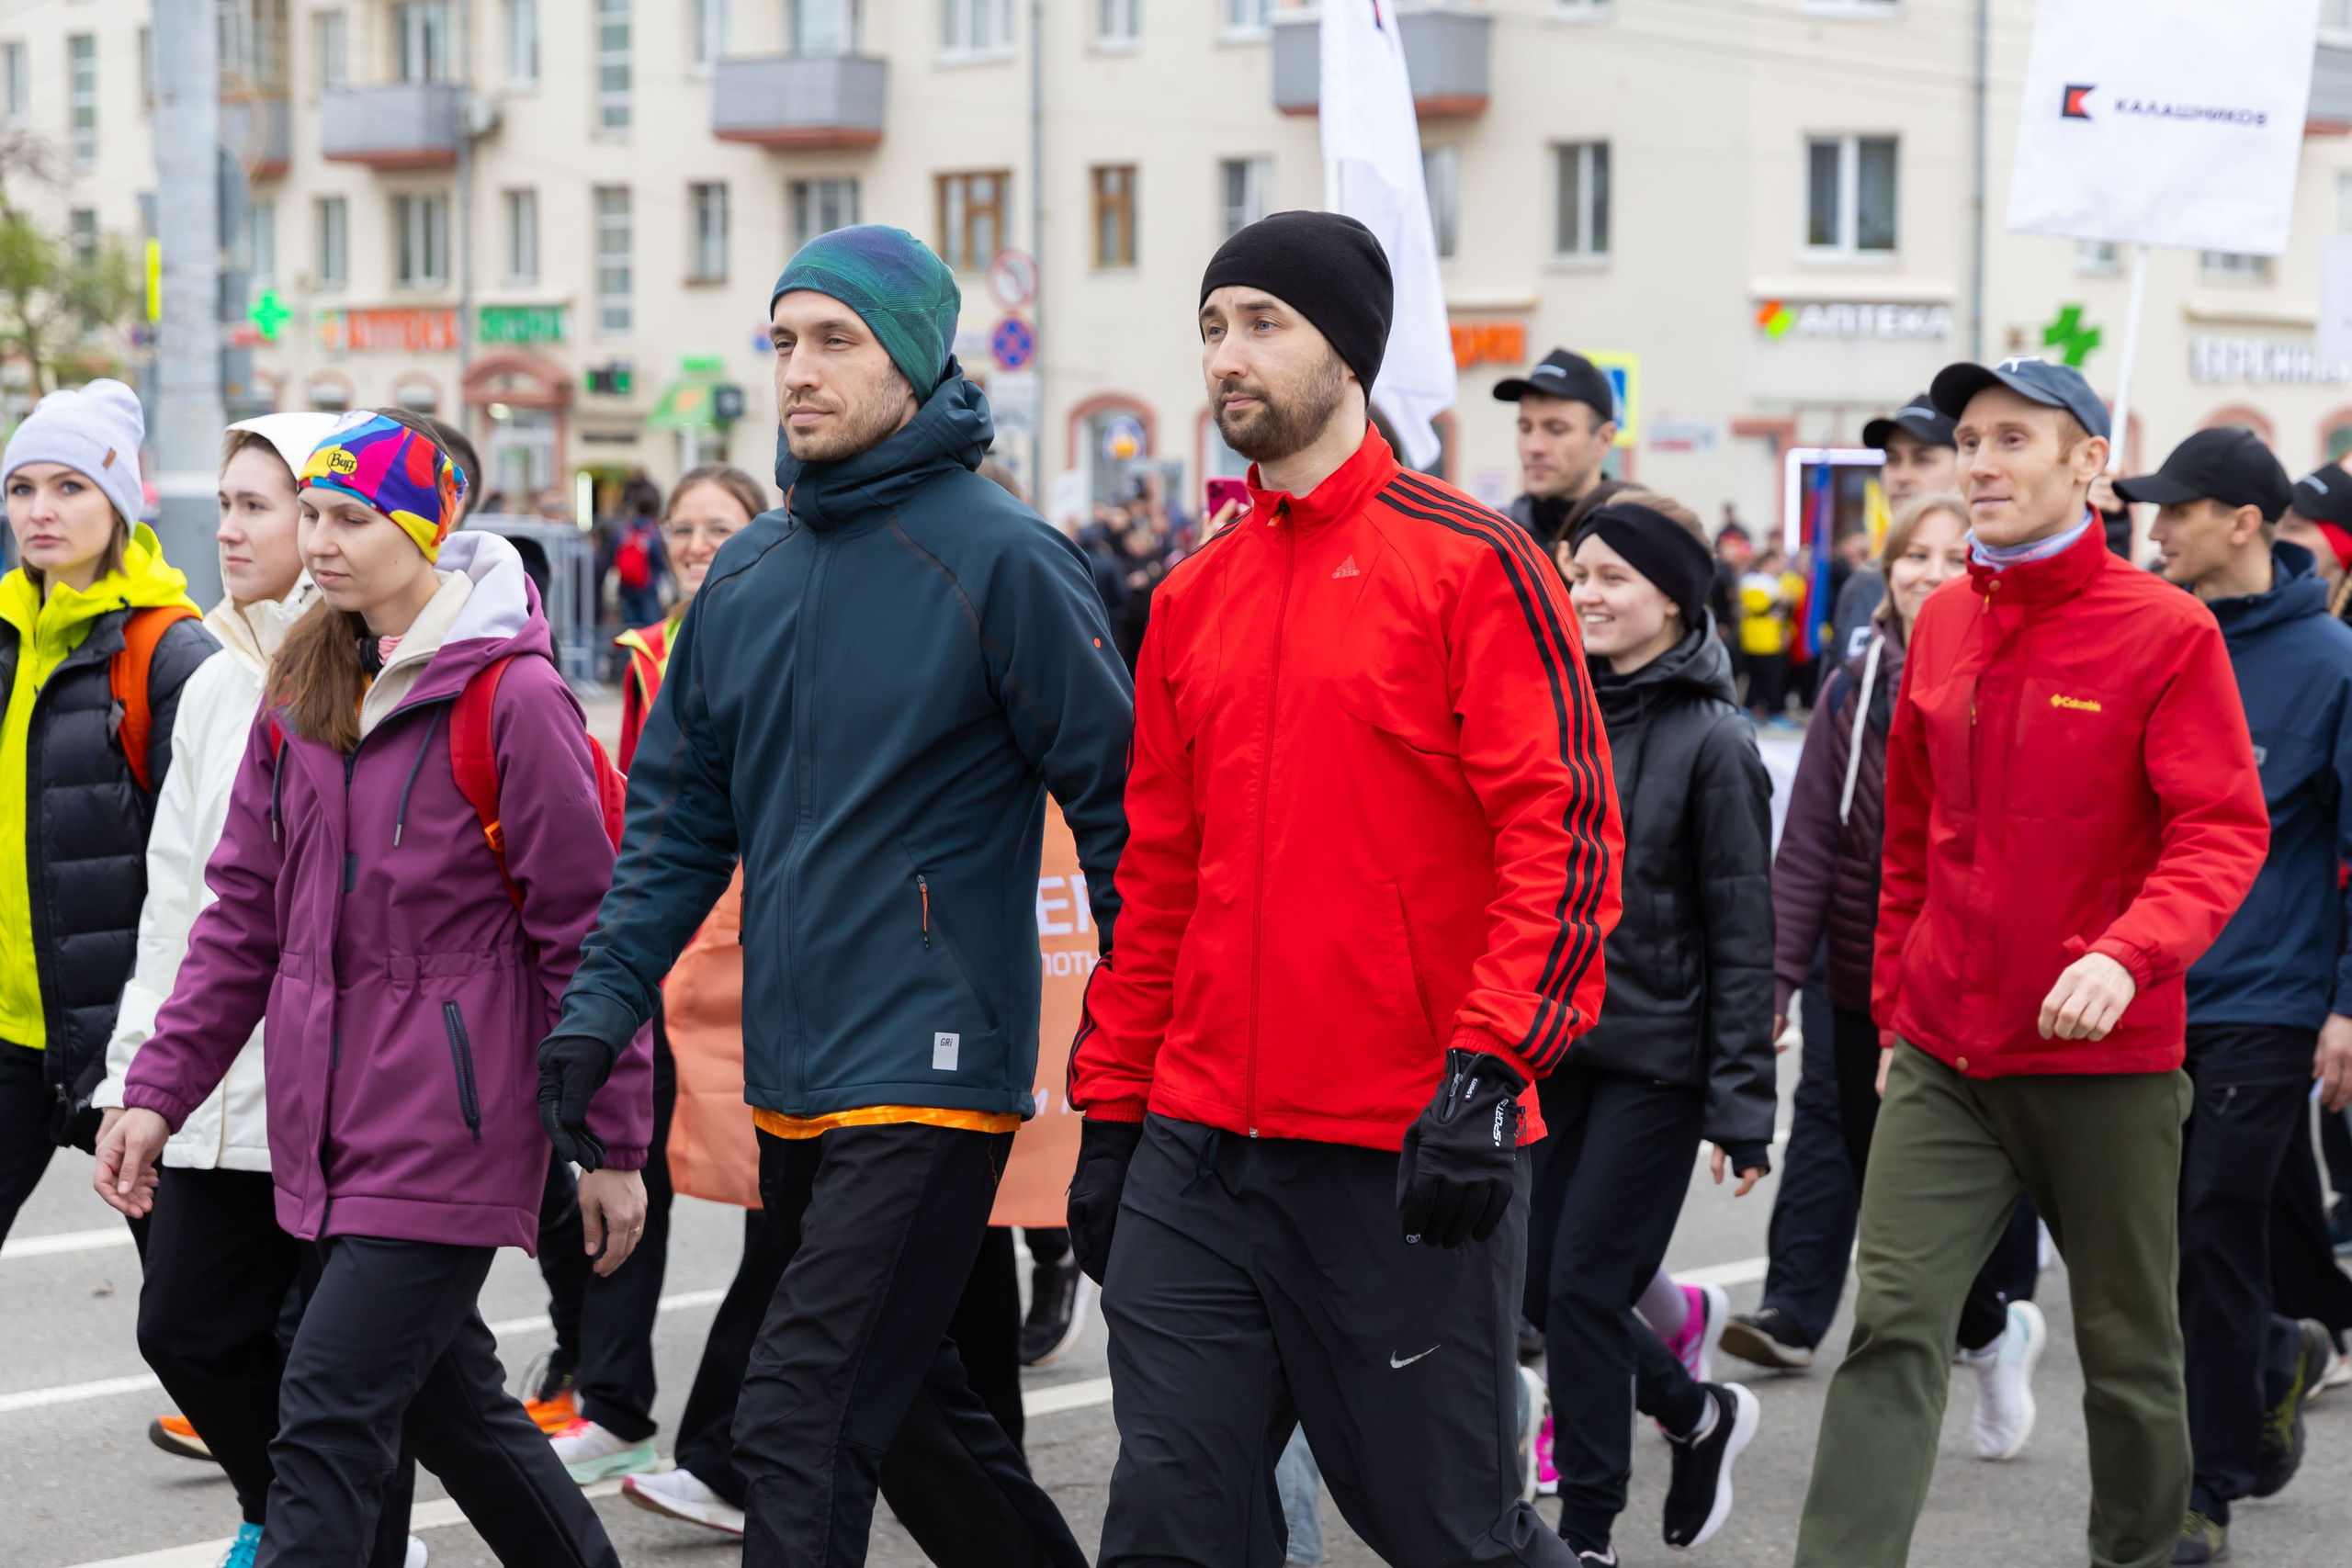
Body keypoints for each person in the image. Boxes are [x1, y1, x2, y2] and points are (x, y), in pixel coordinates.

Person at [540, 223, 1126, 1567]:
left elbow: (1128, 820)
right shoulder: (746, 574)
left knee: (796, 1419)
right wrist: (602, 1005)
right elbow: (680, 822)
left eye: (836, 340)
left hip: (933, 1066)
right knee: (916, 1417)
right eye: (785, 340)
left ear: (915, 358)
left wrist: (1125, 1077)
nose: (799, 369)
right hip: (793, 1069)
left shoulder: (1003, 557)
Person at [1067, 209, 1620, 1567]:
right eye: (1211, 326)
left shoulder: (1473, 560)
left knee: (1449, 1533)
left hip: (1405, 1148)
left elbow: (1564, 832)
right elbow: (1160, 879)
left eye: (1263, 323)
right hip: (1198, 1150)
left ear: (1350, 353)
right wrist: (1109, 1107)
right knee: (1170, 1527)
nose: (1228, 356)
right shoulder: (1193, 593)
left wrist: (1491, 1069)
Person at [96, 410, 651, 1568]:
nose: (323, 538)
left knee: (327, 1415)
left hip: (449, 1126)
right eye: (314, 513)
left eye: (351, 516)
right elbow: (239, 918)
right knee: (458, 1416)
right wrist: (158, 1091)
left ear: (428, 527)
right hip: (322, 1126)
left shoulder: (514, 697)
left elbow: (587, 939)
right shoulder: (302, 690)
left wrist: (610, 1145)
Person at [1792, 357, 2270, 1568]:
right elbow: (1910, 833)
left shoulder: (2168, 630)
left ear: (2090, 465)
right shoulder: (1941, 615)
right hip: (1945, 1055)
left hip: (2105, 1059)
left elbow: (2222, 827)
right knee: (1893, 1326)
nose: (1983, 460)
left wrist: (2130, 950)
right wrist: (1898, 1012)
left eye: (2015, 438)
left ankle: (2140, 1547)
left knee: (2127, 1343)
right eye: (1970, 439)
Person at [87, 413, 440, 1568]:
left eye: (261, 506)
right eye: (225, 505)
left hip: (331, 1092)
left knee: (357, 1379)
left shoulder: (379, 669)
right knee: (184, 1327)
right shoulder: (211, 676)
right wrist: (140, 1075)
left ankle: (339, 1542)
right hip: (207, 1088)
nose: (230, 528)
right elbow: (186, 902)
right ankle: (284, 1517)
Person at [1729, 491, 2049, 1457]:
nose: (1928, 572)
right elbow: (1810, 852)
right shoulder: (1851, 685)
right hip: (1858, 984)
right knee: (1885, 1185)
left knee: (1957, 1197)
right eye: (1915, 554)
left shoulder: (2016, 674)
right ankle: (1992, 1333)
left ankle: (1979, 1331)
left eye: (1954, 556)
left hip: (1975, 980)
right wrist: (1775, 984)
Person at [2118, 426, 2352, 1562]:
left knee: (2210, 1218)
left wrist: (2346, 1003)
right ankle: (2274, 1357)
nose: (2153, 530)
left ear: (2244, 525)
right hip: (2144, 985)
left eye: (2176, 511)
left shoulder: (2333, 665)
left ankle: (2199, 1492)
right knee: (2183, 1233)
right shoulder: (2154, 641)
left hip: (2268, 998)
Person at [1532, 498, 1774, 1560]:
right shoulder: (1549, 712)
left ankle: (1585, 1533)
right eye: (1576, 572)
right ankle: (1691, 1412)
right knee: (1536, 1285)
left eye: (1611, 577)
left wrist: (1740, 1108)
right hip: (1550, 1050)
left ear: (1672, 599)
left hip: (1656, 1067)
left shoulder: (1715, 743)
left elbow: (1742, 930)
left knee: (1583, 1287)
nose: (1585, 591)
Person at [537, 462, 773, 1487]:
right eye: (681, 527)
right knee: (628, 1173)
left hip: (769, 956)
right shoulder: (649, 652)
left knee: (786, 1207)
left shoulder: (784, 634)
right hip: (668, 959)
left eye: (718, 527)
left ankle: (740, 1444)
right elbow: (639, 824)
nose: (693, 545)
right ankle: (616, 1402)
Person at [0, 379, 217, 1241]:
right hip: (11, 1034)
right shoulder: (7, 632)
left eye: (70, 486)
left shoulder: (170, 651)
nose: (40, 510)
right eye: (22, 487)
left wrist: (162, 1050)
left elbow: (207, 873)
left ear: (119, 500)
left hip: (127, 1045)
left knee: (198, 1323)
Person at [1830, 394, 1960, 659]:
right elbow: (1836, 694)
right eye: (1893, 460)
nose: (1902, 476)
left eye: (1922, 459)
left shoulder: (1992, 581)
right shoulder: (1862, 586)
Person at [1498, 347, 1628, 569]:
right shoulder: (1498, 537)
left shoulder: (1634, 537)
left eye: (1556, 429)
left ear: (1604, 440)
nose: (1534, 447)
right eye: (1525, 428)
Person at [1738, 544, 1795, 722]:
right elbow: (1759, 607)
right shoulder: (1762, 582)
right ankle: (1773, 712)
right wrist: (1781, 601)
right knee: (1772, 677)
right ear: (1770, 561)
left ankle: (1751, 708)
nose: (1783, 565)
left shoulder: (1752, 580)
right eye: (1780, 561)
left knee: (1756, 677)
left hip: (1756, 637)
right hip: (1766, 638)